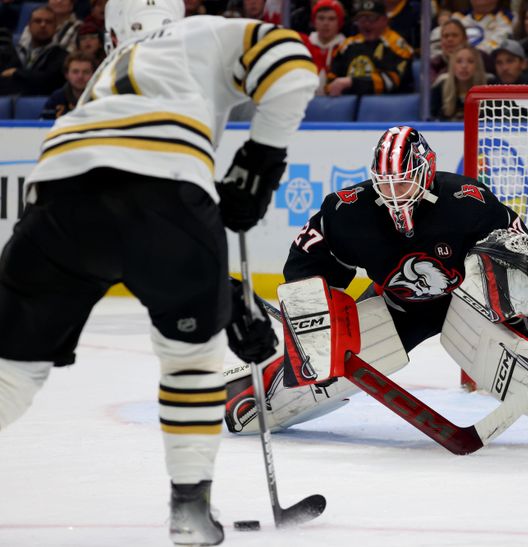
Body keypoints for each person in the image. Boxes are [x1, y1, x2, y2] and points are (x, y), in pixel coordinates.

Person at [0, 0, 317, 545]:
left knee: (12, 369)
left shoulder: (104, 74)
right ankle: (190, 509)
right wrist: (261, 163)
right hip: (169, 192)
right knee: (190, 360)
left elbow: (114, 194)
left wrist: (224, 294)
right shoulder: (204, 32)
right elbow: (294, 63)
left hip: (58, 197)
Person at [222, 126, 528, 457]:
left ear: (426, 170)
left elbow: (523, 259)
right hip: (399, 304)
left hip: (469, 303)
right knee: (334, 358)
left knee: (507, 356)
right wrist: (313, 322)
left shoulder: (467, 201)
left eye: (404, 180)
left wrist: (521, 322)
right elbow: (307, 266)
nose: (394, 192)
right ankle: (253, 390)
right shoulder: (347, 211)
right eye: (386, 182)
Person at [325, 0, 414, 96]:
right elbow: (331, 79)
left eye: (372, 19)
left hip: (389, 104)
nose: (366, 24)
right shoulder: (347, 45)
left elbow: (390, 81)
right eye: (362, 19)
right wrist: (331, 87)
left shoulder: (397, 46)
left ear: (385, 20)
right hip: (348, 104)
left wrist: (351, 82)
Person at [0, 6, 68, 96]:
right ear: (29, 25)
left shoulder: (63, 56)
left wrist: (16, 73)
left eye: (48, 22)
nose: (43, 25)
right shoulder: (10, 52)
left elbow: (48, 80)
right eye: (38, 21)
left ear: (56, 28)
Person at [430, 44, 491, 120]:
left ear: (477, 66)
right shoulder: (440, 88)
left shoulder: (490, 88)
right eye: (459, 61)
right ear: (452, 66)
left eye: (470, 61)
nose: (464, 66)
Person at [41, 50, 95, 119]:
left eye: (86, 72)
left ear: (94, 75)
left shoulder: (101, 97)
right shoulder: (57, 98)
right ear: (66, 75)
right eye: (75, 72)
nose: (80, 76)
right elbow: (43, 125)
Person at [17, 0, 83, 54]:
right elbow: (22, 47)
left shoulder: (79, 27)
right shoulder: (34, 22)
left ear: (72, 4)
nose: (59, 1)